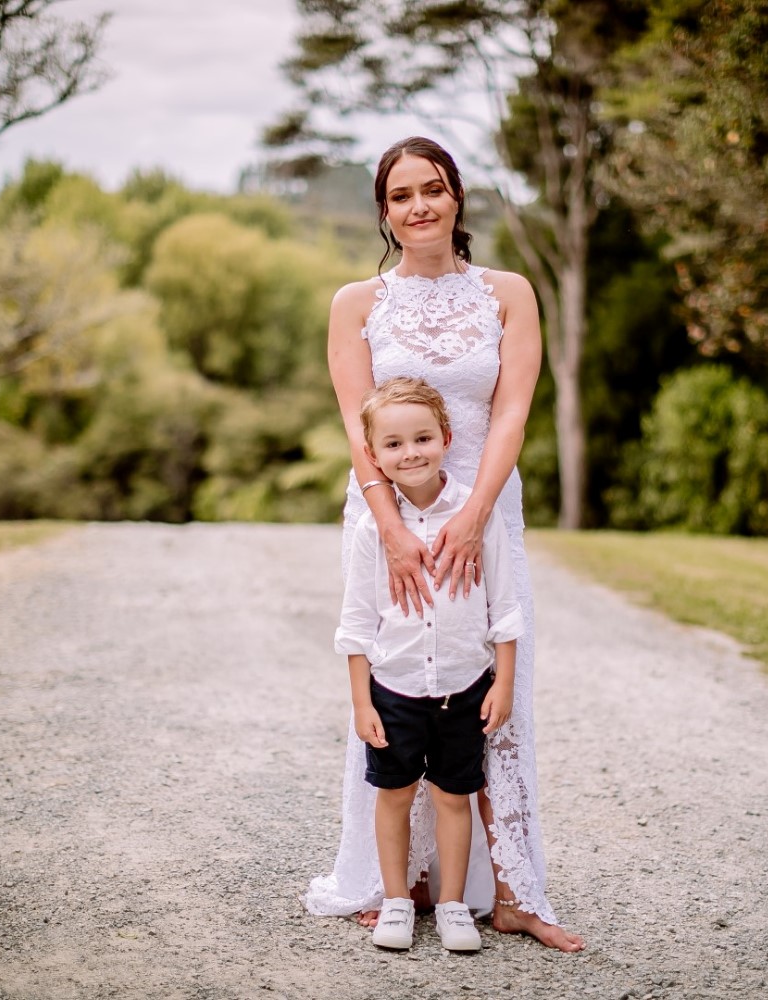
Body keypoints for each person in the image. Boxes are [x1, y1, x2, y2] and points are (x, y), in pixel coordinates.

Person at [304, 136, 585, 952]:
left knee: (490, 691)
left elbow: (512, 412)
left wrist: (475, 514)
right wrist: (391, 527)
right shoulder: (356, 303)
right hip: (386, 516)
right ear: (384, 212)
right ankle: (399, 880)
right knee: (400, 680)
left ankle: (515, 893)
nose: (419, 206)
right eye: (401, 195)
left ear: (457, 196)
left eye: (433, 188)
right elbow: (357, 425)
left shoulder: (509, 293)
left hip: (483, 513)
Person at [337, 376, 522, 951]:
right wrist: (362, 703)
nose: (410, 453)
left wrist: (504, 683)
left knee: (452, 796)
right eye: (393, 444)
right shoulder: (373, 531)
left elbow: (504, 607)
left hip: (465, 687)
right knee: (394, 795)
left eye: (422, 438)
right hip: (394, 687)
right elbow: (356, 623)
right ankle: (396, 900)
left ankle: (452, 907)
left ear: (446, 438)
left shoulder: (476, 518)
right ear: (374, 456)